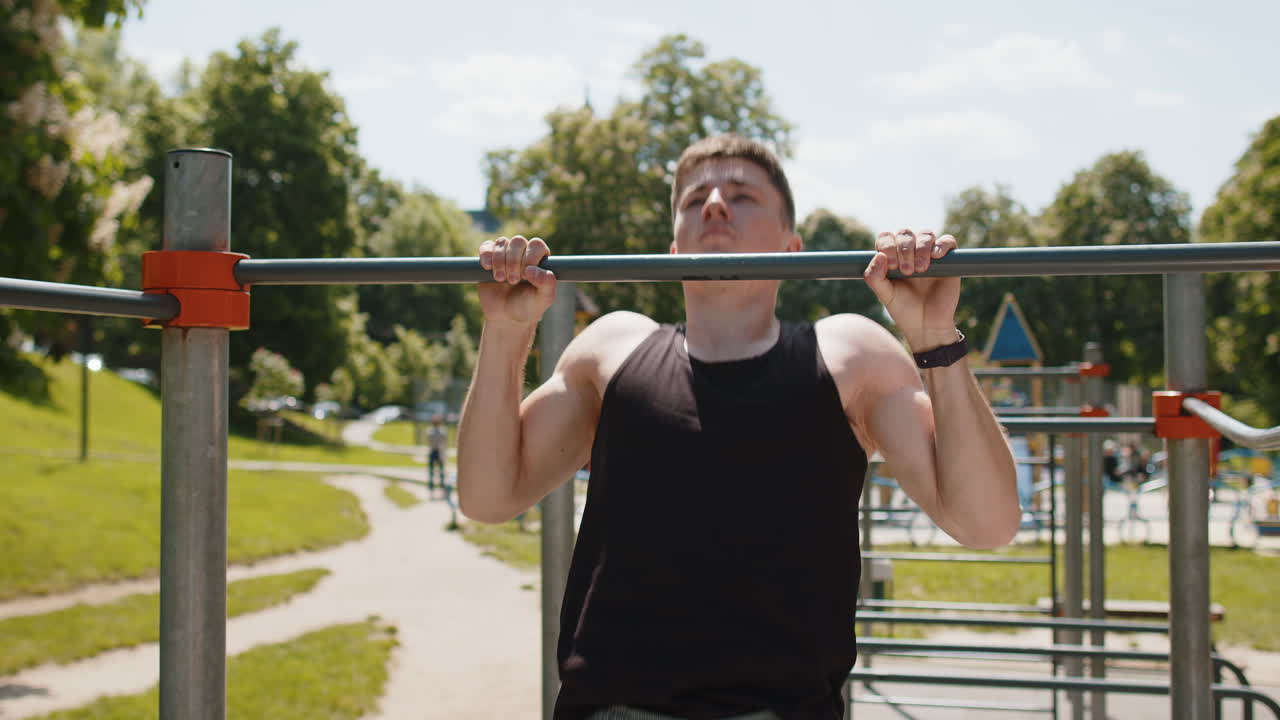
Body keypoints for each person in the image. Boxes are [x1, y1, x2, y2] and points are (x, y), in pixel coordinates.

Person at [456, 134, 1019, 720]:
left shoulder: (851, 354)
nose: (716, 204)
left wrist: (933, 337)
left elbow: (987, 523)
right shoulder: (612, 347)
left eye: (744, 195)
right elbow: (487, 496)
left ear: (791, 245)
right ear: (674, 248)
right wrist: (504, 332)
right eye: (695, 196)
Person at [426, 414, 448, 493]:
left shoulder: (441, 431)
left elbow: (444, 442)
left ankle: (441, 484)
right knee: (432, 469)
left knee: (440, 469)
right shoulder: (431, 431)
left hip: (438, 451)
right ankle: (432, 484)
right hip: (434, 450)